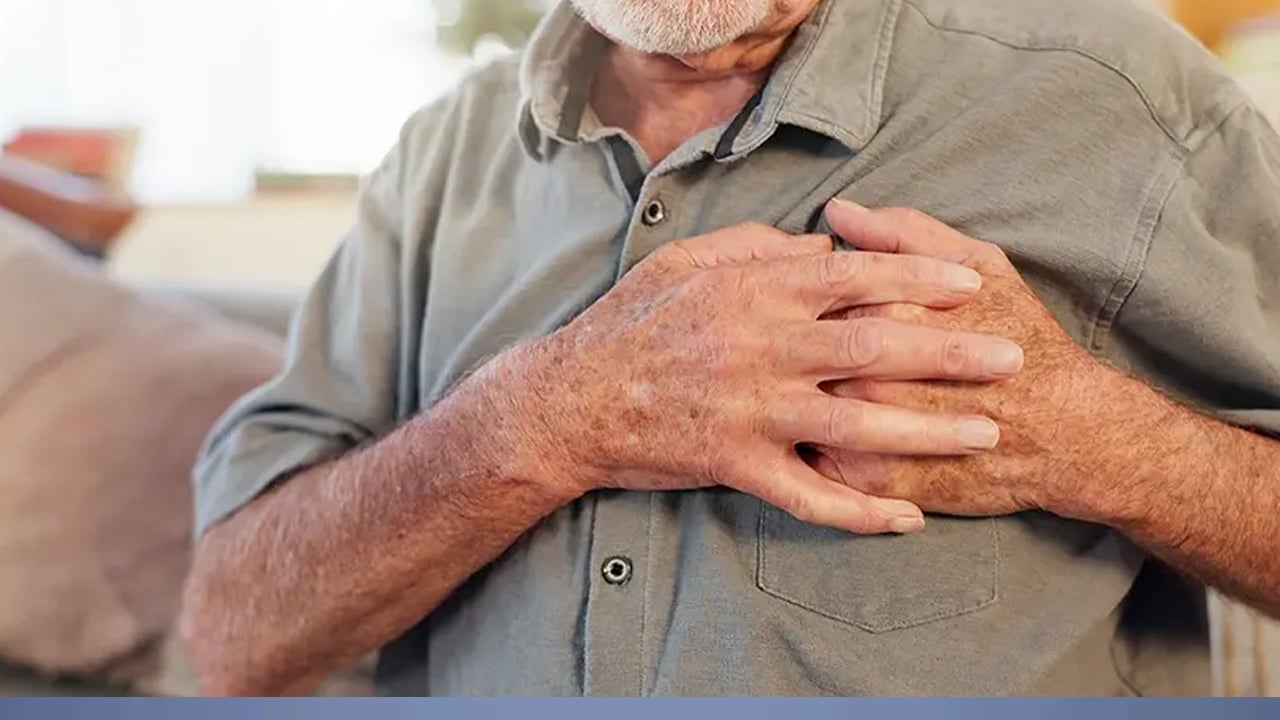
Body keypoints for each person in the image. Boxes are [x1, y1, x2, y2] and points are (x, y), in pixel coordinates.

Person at [180, 0, 1280, 697]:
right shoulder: (438, 156)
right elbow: (236, 635)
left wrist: (1085, 438)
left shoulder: (1120, 96)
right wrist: (539, 418)